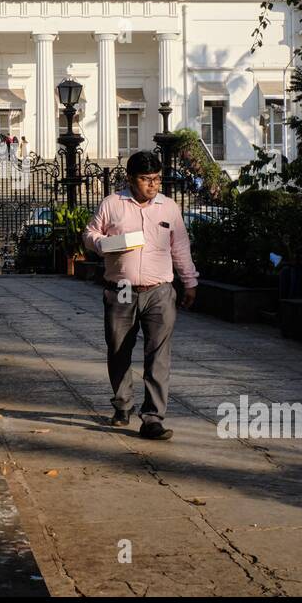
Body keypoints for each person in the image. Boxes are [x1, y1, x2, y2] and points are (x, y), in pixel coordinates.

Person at [83, 151, 198, 440]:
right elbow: (89, 234)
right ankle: (123, 404)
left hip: (159, 290)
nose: (153, 185)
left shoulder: (169, 208)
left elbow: (180, 247)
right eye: (146, 179)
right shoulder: (113, 204)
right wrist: (105, 244)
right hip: (121, 289)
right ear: (130, 179)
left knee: (158, 354)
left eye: (157, 179)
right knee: (119, 347)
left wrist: (190, 281)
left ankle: (153, 418)